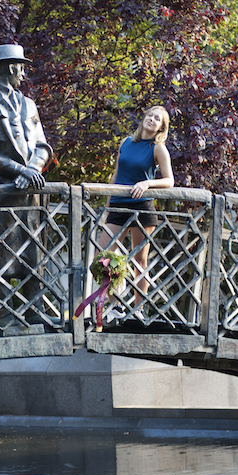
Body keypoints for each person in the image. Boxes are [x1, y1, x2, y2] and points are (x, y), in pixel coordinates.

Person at [0, 44, 53, 331]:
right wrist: (20, 170)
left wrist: (33, 170)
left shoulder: (29, 104)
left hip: (30, 192)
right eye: (22, 68)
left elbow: (42, 145)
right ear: (12, 68)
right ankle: (5, 316)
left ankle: (35, 311)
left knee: (34, 253)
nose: (25, 74)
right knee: (0, 255)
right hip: (0, 192)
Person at [98, 106, 174, 323]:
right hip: (118, 207)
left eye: (157, 118)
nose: (152, 119)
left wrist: (148, 183)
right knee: (103, 257)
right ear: (144, 118)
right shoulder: (126, 143)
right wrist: (107, 204)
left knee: (140, 260)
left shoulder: (158, 148)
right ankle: (116, 304)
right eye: (150, 115)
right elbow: (116, 174)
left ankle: (138, 310)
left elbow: (170, 181)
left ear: (161, 126)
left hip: (142, 208)